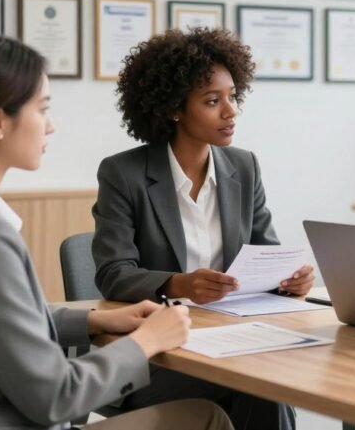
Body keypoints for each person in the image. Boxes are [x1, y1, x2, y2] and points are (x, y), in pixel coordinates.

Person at [0, 33, 232, 430]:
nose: (50, 126)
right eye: (42, 108)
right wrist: (148, 340)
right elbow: (56, 397)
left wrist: (93, 321)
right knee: (208, 418)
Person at [92, 27, 306, 429]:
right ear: (174, 108)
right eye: (212, 101)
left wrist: (288, 279)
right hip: (158, 353)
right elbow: (113, 275)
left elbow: (265, 255)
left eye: (232, 97)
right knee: (259, 386)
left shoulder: (244, 167)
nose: (230, 111)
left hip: (233, 340)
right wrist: (180, 284)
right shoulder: (124, 174)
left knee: (263, 385)